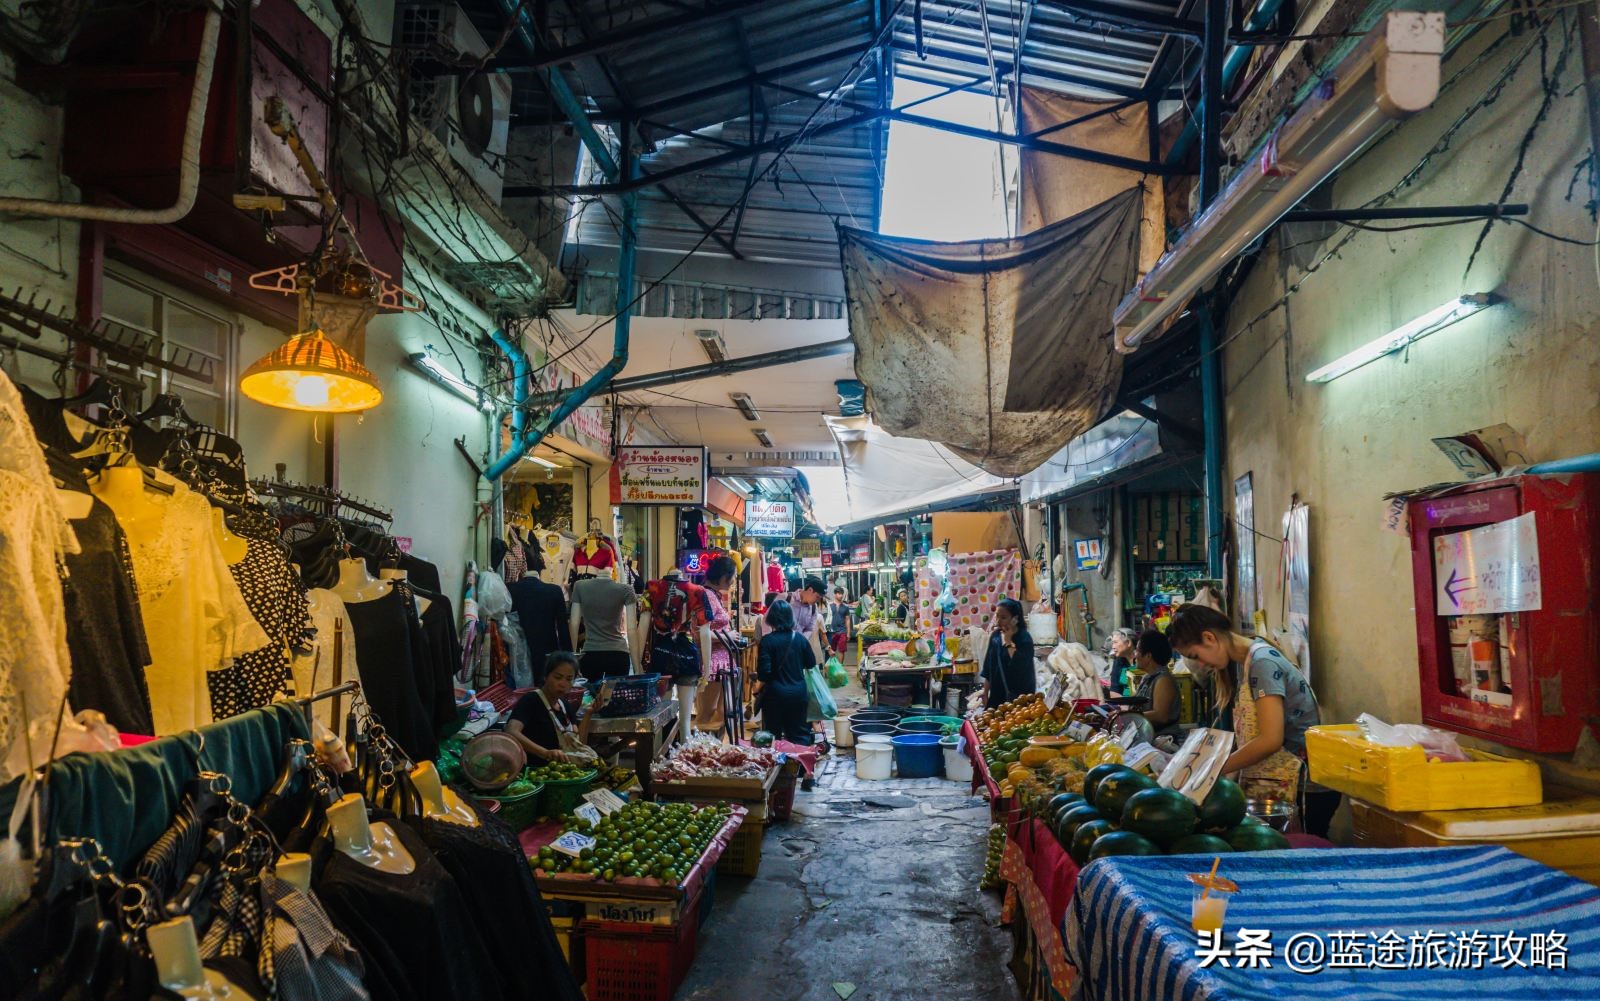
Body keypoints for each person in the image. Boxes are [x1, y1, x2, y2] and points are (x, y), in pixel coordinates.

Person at [1165, 602, 1339, 839]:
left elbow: (1270, 739)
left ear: (1209, 637)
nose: (1202, 665)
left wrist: (1212, 769)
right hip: (1283, 782)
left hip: (1305, 788)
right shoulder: (1242, 662)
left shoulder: (1262, 663)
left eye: (1196, 656)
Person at [505, 652, 609, 763]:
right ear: (546, 676)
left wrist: (589, 713)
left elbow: (579, 746)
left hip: (566, 772)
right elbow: (511, 731)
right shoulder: (531, 700)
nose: (563, 684)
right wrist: (545, 753)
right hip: (538, 771)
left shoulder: (565, 705)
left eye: (569, 679)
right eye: (558, 677)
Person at [755, 600, 815, 745]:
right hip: (799, 694)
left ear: (771, 618)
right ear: (791, 617)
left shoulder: (767, 641)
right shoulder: (800, 639)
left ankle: (778, 766)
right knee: (800, 735)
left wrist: (757, 687)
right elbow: (811, 663)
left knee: (772, 737)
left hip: (775, 695)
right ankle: (801, 766)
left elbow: (764, 673)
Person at [694, 556, 739, 737]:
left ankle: (715, 752)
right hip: (711, 663)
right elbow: (697, 633)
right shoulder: (706, 595)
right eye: (732, 577)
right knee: (708, 714)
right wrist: (727, 636)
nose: (733, 581)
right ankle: (700, 753)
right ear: (723, 577)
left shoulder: (713, 596)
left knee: (722, 713)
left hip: (721, 661)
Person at [980, 598, 1035, 707]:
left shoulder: (1024, 639)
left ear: (1015, 619)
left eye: (1003, 618)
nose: (998, 621)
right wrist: (985, 692)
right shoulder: (995, 637)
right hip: (997, 697)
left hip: (1020, 699)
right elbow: (988, 667)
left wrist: (1008, 641)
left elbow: (1020, 666)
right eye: (997, 616)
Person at [1129, 629, 1180, 736]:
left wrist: (1128, 715)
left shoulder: (1163, 680)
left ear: (1148, 656)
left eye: (1137, 651)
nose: (1135, 655)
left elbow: (1161, 716)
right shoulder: (1148, 677)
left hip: (1162, 741)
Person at [787, 575, 828, 660]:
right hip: (781, 648)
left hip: (797, 650)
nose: (817, 601)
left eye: (820, 598)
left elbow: (809, 629)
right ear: (810, 590)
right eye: (817, 597)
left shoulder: (813, 608)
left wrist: (801, 642)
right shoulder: (787, 600)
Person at [1105, 627, 1137, 695]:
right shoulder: (1118, 661)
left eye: (1115, 642)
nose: (1113, 647)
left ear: (1128, 643)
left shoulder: (1142, 660)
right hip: (1123, 703)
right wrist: (1124, 704)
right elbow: (1114, 691)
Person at [827, 587, 852, 658]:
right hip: (831, 631)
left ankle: (840, 667)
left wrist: (848, 633)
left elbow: (847, 620)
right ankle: (833, 666)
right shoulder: (829, 606)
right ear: (835, 594)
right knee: (832, 649)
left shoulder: (845, 607)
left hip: (842, 631)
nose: (841, 595)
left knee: (842, 650)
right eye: (839, 594)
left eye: (842, 594)